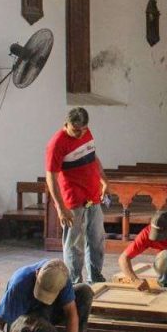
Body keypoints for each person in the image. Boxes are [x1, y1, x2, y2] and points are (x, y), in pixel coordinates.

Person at [45, 107, 110, 284]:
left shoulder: (86, 132)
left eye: (84, 129)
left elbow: (92, 156)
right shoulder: (57, 144)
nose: (81, 133)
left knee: (96, 238)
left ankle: (95, 276)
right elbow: (51, 177)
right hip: (73, 200)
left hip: (93, 195)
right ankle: (74, 282)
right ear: (66, 124)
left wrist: (104, 180)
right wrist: (60, 207)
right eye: (76, 130)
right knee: (74, 243)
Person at [0, 259, 93, 332]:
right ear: (37, 273)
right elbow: (0, 322)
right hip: (21, 318)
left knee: (85, 292)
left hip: (46, 313)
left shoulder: (61, 277)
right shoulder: (20, 283)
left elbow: (71, 314)